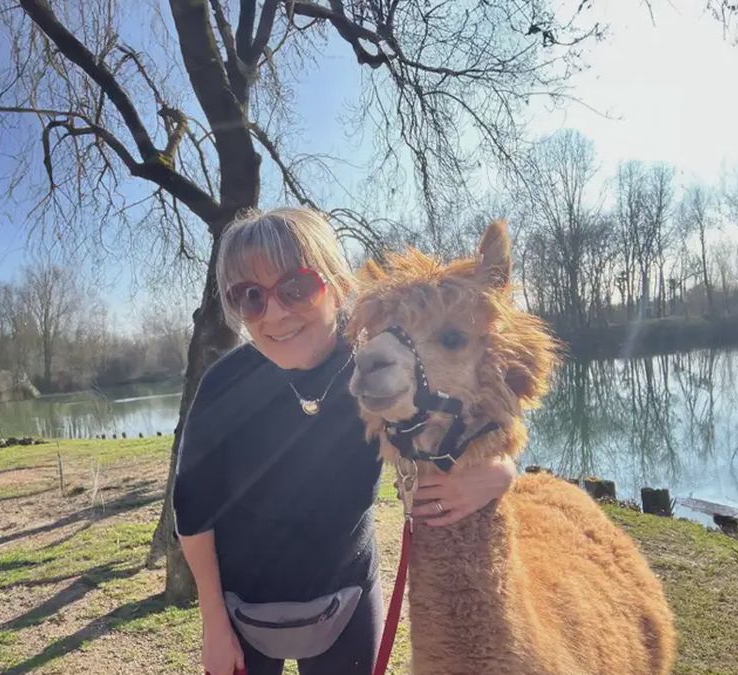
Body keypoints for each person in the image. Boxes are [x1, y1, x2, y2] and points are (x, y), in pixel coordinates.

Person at [172, 207, 517, 675]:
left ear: (337, 286)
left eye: (297, 287)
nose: (274, 313)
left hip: (348, 599)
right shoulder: (222, 388)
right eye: (249, 297)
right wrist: (214, 624)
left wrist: (500, 473)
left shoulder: (382, 373)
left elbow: (461, 423)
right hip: (242, 610)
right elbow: (193, 517)